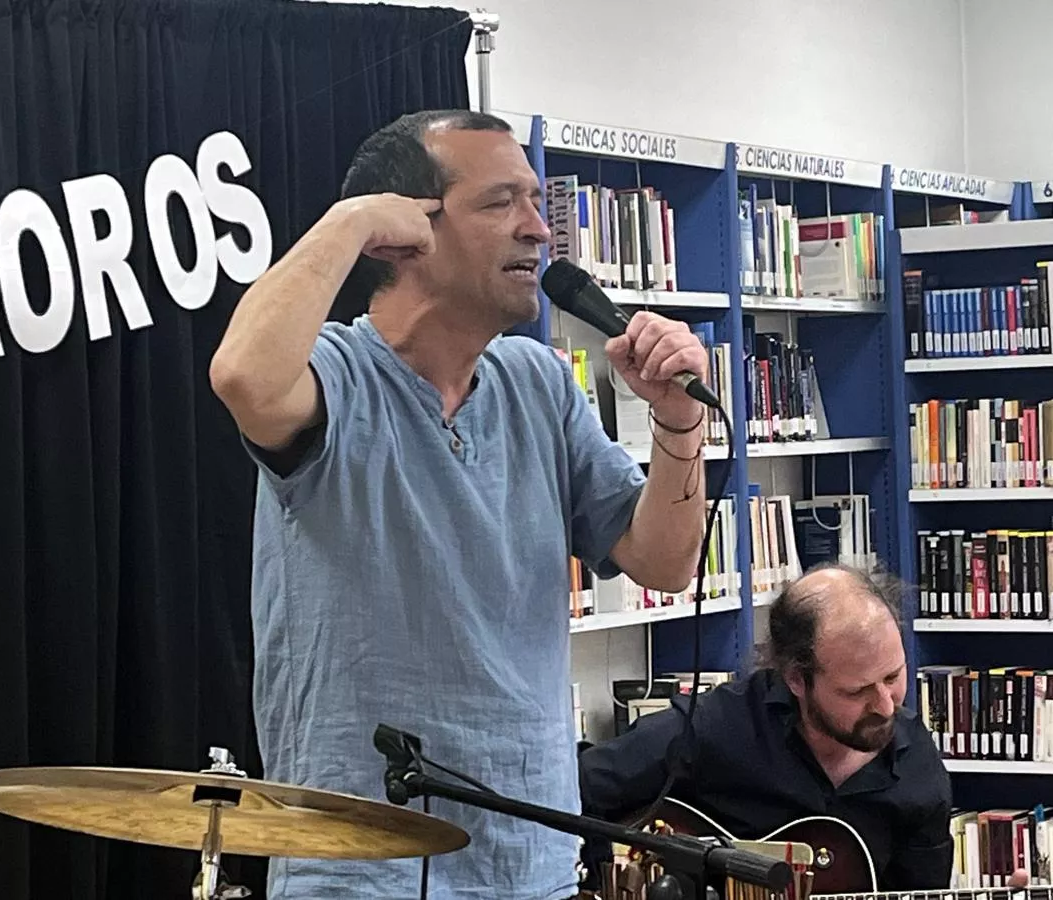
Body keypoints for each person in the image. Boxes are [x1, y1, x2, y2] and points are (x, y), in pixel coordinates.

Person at [208, 108, 711, 900]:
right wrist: (348, 222)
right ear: (404, 233)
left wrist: (677, 421)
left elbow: (666, 562)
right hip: (359, 870)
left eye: (537, 204)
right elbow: (243, 377)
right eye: (501, 202)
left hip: (530, 861)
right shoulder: (338, 376)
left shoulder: (539, 384)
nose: (538, 231)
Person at [578, 562, 1028, 893]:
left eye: (893, 677)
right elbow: (575, 789)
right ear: (796, 679)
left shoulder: (917, 767)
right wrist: (610, 883)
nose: (886, 705)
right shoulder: (718, 726)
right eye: (857, 692)